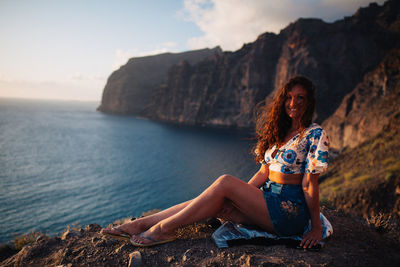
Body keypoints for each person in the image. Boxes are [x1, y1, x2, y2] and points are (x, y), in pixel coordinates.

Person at [101, 75, 329, 249]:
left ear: (309, 102)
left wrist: (316, 228)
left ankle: (162, 229)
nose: (293, 103)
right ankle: (140, 224)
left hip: (289, 211)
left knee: (225, 183)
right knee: (214, 199)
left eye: (300, 98)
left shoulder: (314, 134)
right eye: (289, 97)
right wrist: (240, 199)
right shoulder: (279, 133)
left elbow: (309, 185)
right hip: (267, 201)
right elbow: (263, 173)